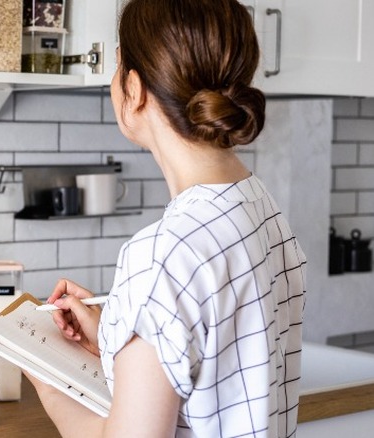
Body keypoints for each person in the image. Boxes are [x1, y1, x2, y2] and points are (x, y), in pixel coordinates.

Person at [25, 0, 307, 436]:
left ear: (134, 89)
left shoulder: (161, 254)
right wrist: (117, 336)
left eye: (117, 68)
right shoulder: (261, 210)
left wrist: (48, 379)